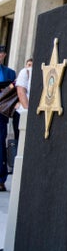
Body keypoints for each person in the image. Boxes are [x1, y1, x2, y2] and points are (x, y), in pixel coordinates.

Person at [0, 45, 16, 192]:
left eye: (1, 53)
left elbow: (13, 93)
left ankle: (0, 179)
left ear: (4, 55)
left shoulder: (10, 73)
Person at [13, 58, 32, 138]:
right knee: (19, 139)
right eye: (29, 65)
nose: (30, 67)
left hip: (32, 113)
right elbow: (20, 92)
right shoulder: (25, 72)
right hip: (22, 112)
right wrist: (27, 111)